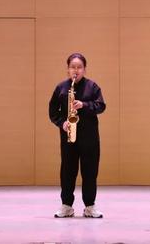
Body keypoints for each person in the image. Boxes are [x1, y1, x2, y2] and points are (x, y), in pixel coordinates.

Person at [49, 53, 106, 218]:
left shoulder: (92, 87)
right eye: (72, 67)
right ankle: (66, 206)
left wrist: (84, 105)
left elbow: (101, 106)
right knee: (67, 171)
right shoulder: (61, 88)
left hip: (90, 138)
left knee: (90, 172)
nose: (76, 70)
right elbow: (53, 112)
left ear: (84, 69)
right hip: (69, 137)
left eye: (79, 67)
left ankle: (90, 206)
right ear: (68, 69)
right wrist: (62, 123)